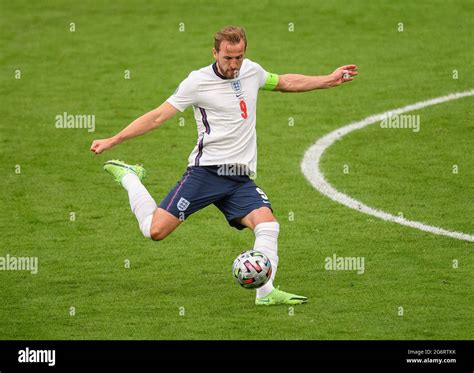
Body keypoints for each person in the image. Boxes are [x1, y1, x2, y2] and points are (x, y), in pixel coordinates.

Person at [90, 26, 357, 306]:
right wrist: (114, 139)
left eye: (239, 57)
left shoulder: (251, 71)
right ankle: (131, 177)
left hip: (238, 177)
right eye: (228, 58)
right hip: (206, 172)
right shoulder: (197, 82)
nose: (233, 65)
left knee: (268, 225)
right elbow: (157, 116)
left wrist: (329, 79)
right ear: (215, 52)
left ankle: (265, 294)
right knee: (154, 231)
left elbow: (285, 82)